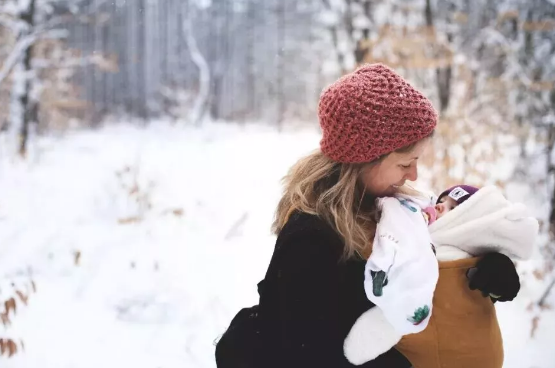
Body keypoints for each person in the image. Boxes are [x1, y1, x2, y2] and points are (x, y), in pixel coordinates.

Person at [214, 63, 522, 368]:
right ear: (365, 160)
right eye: (405, 164)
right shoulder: (311, 237)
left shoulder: (391, 207)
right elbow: (306, 350)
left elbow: (426, 270)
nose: (414, 175)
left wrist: (489, 273)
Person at [346, 184, 538, 367]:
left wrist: (501, 283)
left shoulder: (474, 260)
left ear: (468, 222)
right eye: (442, 200)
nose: (439, 206)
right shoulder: (412, 234)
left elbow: (407, 303)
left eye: (452, 208)